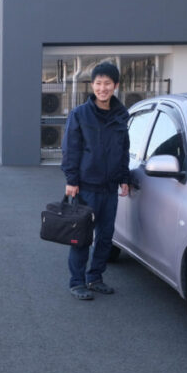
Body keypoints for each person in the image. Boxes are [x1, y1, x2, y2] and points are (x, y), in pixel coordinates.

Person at [60, 61, 130, 300]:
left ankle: (95, 277)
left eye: (107, 84)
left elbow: (124, 149)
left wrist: (124, 177)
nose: (103, 88)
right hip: (85, 187)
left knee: (106, 237)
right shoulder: (80, 114)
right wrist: (71, 179)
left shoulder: (121, 115)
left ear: (116, 85)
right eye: (98, 83)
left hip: (110, 188)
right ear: (92, 85)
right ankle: (77, 281)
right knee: (81, 236)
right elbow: (71, 148)